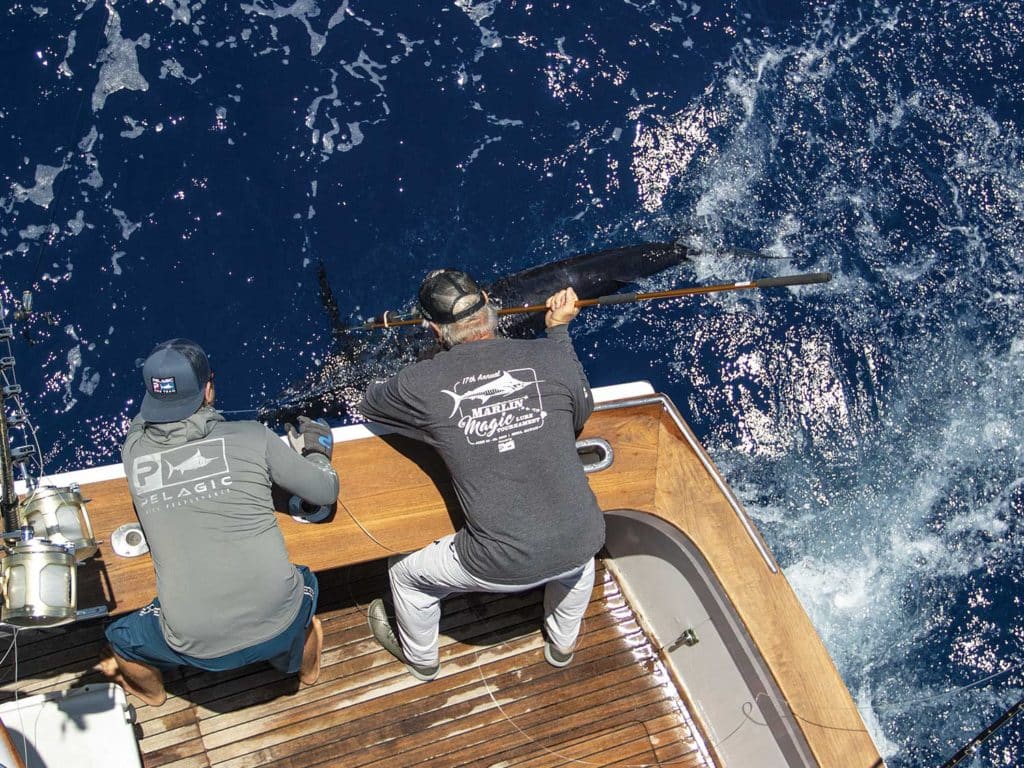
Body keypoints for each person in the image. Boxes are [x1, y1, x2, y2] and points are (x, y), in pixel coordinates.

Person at [359, 270, 605, 681]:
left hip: (494, 565)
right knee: (580, 566)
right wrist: (558, 332)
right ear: (489, 304)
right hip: (585, 540)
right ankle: (562, 646)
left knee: (405, 574)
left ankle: (422, 662)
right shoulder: (551, 356)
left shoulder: (419, 383)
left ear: (434, 329)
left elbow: (370, 404)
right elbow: (582, 409)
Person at [96, 339, 339, 706]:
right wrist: (318, 452)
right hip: (281, 621)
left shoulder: (134, 454)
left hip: (197, 648)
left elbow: (141, 426)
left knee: (120, 639)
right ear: (209, 389)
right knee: (305, 582)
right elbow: (325, 491)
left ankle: (154, 696)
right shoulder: (253, 437)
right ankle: (306, 670)